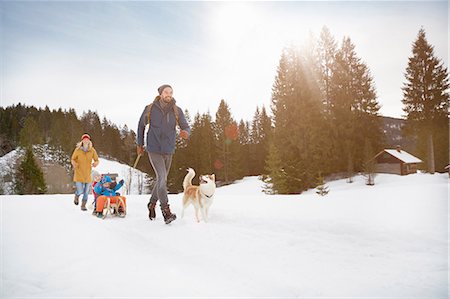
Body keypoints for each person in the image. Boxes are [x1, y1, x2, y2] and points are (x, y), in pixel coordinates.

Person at [137, 84, 190, 224]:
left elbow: (185, 126)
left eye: (171, 92)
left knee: (161, 179)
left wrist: (186, 133)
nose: (169, 94)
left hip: (168, 149)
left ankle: (152, 203)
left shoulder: (176, 110)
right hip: (153, 148)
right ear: (160, 94)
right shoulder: (150, 109)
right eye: (166, 92)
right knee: (162, 177)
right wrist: (139, 144)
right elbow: (141, 126)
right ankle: (166, 211)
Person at [71, 133, 99, 211]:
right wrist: (75, 163)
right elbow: (72, 159)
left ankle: (83, 205)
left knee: (86, 192)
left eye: (87, 139)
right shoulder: (77, 150)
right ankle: (77, 195)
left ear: (89, 141)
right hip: (79, 173)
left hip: (88, 174)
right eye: (84, 139)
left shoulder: (92, 150)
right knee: (80, 190)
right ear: (82, 141)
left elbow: (96, 159)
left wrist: (95, 163)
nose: (86, 140)